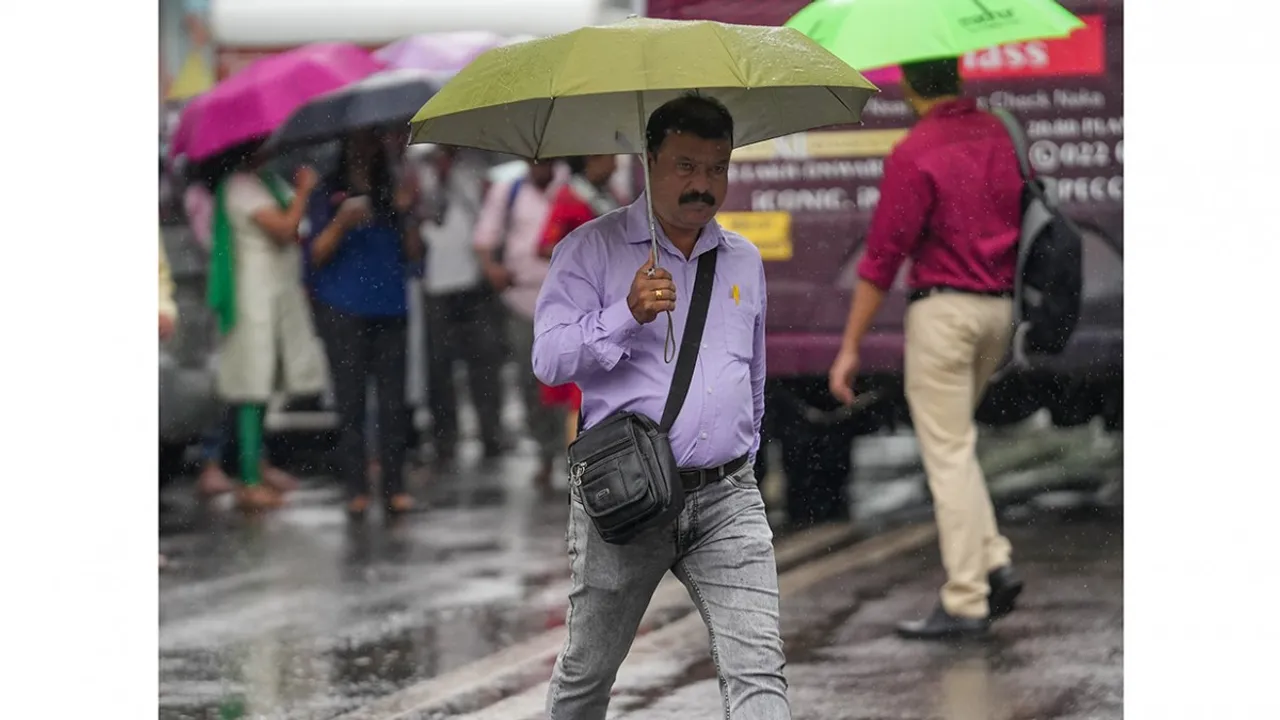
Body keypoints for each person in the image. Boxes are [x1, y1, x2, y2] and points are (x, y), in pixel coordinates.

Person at [534, 94, 788, 719]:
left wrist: (744, 458)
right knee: (589, 672)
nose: (703, 184)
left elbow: (753, 373)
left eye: (718, 167)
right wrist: (626, 315)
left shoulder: (743, 261)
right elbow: (550, 360)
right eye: (685, 166)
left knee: (759, 668)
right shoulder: (591, 249)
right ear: (648, 161)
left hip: (727, 496)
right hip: (627, 497)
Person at [828, 57, 1026, 640]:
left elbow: (883, 257)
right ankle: (994, 561)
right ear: (959, 75)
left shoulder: (916, 150)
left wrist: (849, 346)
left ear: (910, 85)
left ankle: (965, 597)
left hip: (945, 312)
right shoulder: (998, 132)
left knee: (946, 454)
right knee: (956, 447)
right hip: (998, 312)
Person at [304, 127, 423, 519]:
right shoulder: (326, 193)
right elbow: (315, 255)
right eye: (360, 141)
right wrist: (341, 222)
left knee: (393, 404)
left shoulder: (394, 191)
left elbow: (414, 256)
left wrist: (407, 212)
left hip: (390, 306)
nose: (368, 148)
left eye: (374, 141)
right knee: (350, 402)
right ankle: (356, 487)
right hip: (343, 307)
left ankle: (395, 486)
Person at [210, 141, 328, 511]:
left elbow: (294, 231)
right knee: (252, 384)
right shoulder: (240, 187)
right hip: (253, 295)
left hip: (275, 292)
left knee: (267, 381)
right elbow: (284, 228)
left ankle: (257, 465)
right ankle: (247, 479)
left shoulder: (267, 182)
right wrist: (306, 191)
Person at [473, 158, 562, 489]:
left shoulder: (571, 187)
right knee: (531, 379)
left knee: (571, 382)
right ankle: (545, 451)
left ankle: (573, 450)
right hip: (522, 302)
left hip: (570, 303)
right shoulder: (507, 190)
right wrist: (492, 268)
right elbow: (483, 239)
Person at [420, 146, 507, 466]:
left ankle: (491, 433)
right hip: (437, 283)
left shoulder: (474, 167)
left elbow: (489, 218)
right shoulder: (416, 171)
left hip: (474, 281)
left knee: (484, 363)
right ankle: (445, 438)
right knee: (439, 368)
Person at [536, 154, 621, 446]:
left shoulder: (609, 196)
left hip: (611, 304)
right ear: (590, 161)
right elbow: (546, 246)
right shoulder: (570, 198)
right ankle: (580, 469)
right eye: (609, 157)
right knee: (580, 394)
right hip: (585, 307)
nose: (616, 164)